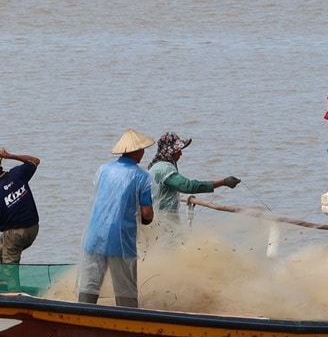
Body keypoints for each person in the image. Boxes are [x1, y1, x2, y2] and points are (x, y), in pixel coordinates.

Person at [78, 129, 156, 308]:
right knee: (126, 289)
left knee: (90, 284)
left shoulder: (103, 170)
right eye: (142, 149)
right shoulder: (142, 177)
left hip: (95, 234)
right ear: (136, 151)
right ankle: (128, 319)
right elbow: (147, 213)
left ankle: (81, 315)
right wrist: (147, 220)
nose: (143, 153)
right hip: (121, 238)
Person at [147, 132, 241, 224]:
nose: (181, 154)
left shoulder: (156, 166)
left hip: (156, 219)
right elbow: (188, 186)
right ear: (169, 152)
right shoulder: (165, 169)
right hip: (162, 222)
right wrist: (223, 182)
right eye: (178, 151)